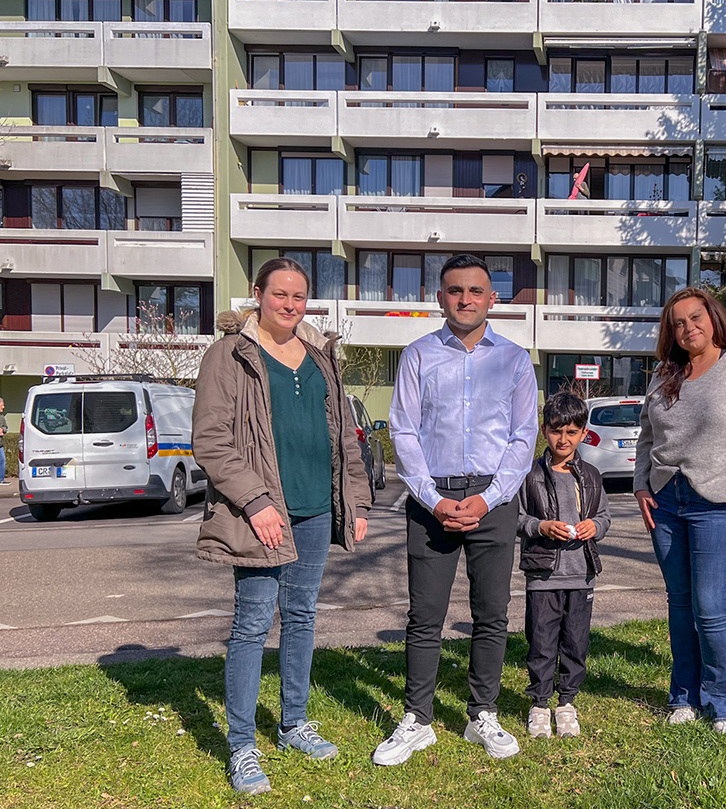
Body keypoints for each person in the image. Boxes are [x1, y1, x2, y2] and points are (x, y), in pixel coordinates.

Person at [192, 257, 372, 794]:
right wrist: (255, 502)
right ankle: (242, 745)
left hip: (317, 509)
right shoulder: (229, 356)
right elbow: (211, 440)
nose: (290, 305)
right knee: (251, 625)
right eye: (280, 295)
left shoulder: (320, 356)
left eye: (299, 297)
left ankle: (294, 723)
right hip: (261, 515)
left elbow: (345, 438)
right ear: (257, 294)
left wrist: (356, 502)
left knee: (302, 617)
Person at [374, 253, 538, 765]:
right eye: (454, 290)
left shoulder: (513, 359)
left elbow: (523, 436)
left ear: (492, 298)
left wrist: (488, 499)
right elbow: (403, 430)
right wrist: (435, 498)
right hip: (432, 500)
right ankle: (417, 719)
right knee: (425, 616)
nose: (464, 299)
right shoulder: (418, 355)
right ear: (440, 296)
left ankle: (481, 714)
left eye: (475, 291)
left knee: (492, 613)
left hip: (494, 499)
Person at [633, 287, 726, 736]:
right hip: (666, 501)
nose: (688, 328)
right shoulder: (663, 377)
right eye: (678, 322)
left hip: (720, 502)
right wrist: (641, 486)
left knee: (711, 607)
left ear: (714, 319)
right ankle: (684, 696)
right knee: (680, 604)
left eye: (695, 317)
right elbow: (645, 438)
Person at [518, 392, 611, 741]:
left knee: (575, 642)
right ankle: (540, 704)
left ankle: (567, 703)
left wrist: (594, 527)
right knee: (541, 643)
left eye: (571, 432)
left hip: (582, 575)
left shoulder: (591, 475)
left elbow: (604, 516)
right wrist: (540, 527)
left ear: (583, 433)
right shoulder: (530, 476)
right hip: (543, 574)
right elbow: (517, 517)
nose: (563, 439)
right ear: (545, 430)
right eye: (557, 431)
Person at [0, 397, 8, 485]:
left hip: (0, 444)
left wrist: (3, 429)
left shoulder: (2, 417)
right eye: (2, 405)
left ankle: (1, 479)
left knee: (2, 460)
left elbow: (6, 427)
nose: (3, 407)